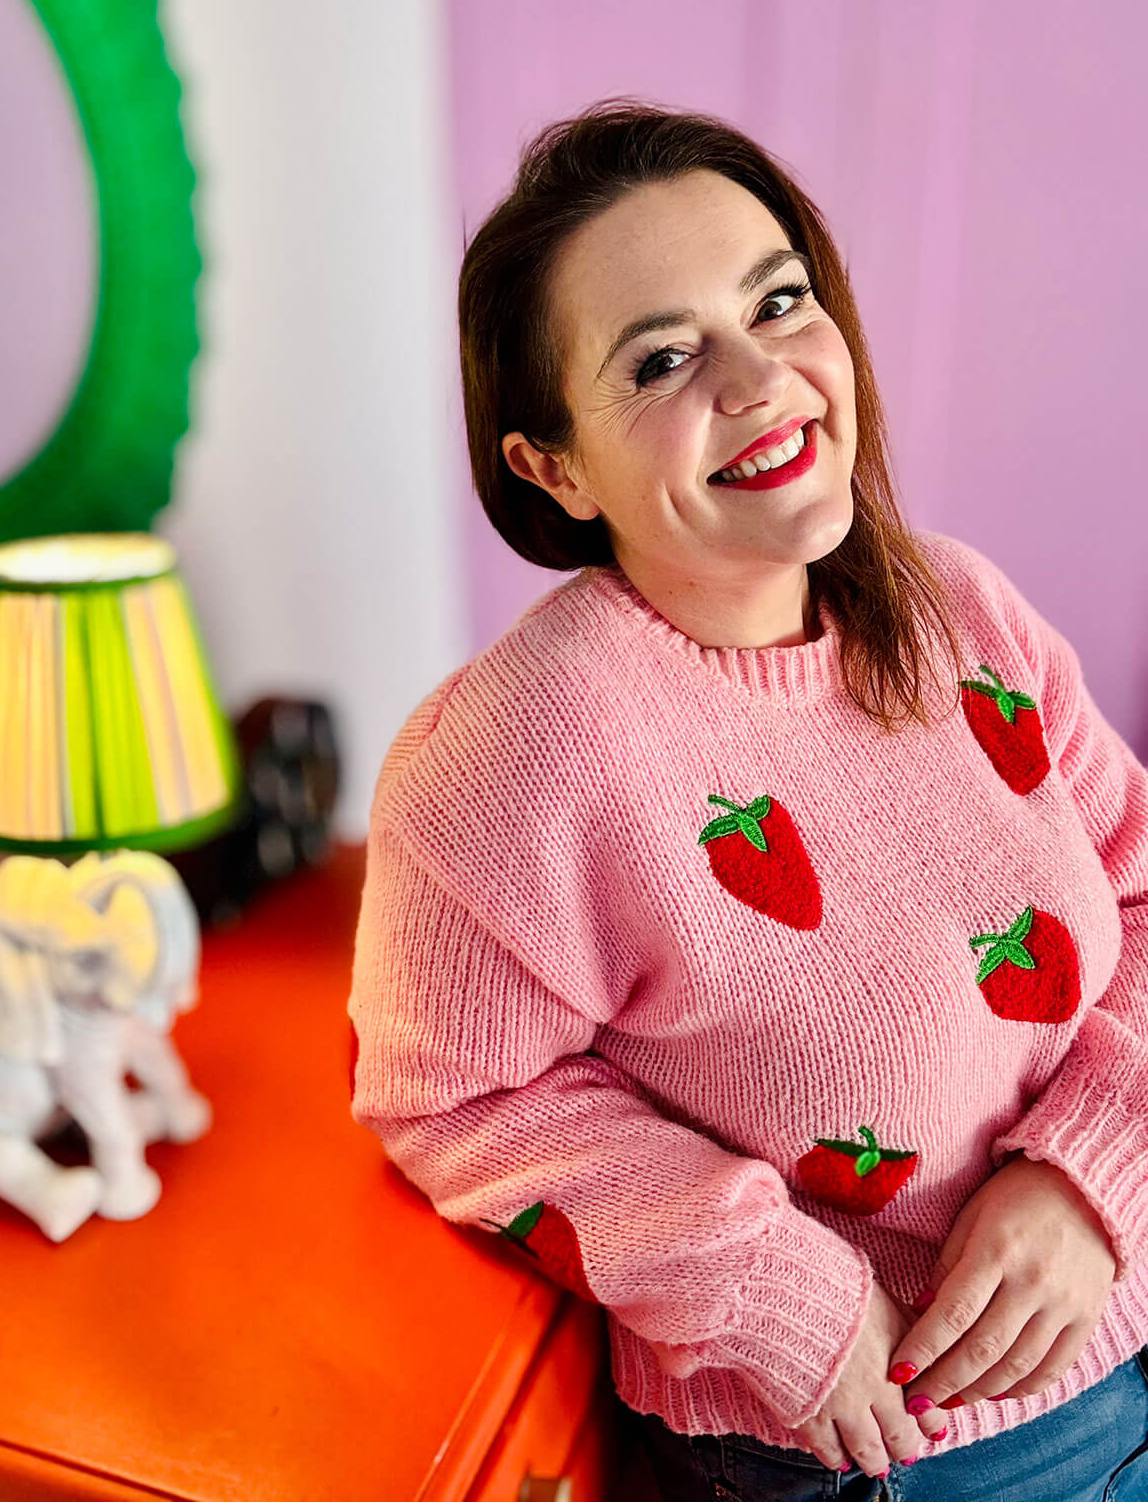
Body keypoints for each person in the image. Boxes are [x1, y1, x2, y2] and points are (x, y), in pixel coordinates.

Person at [346, 98, 1148, 1501]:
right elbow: (449, 1099)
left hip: (1122, 1308)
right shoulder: (509, 759)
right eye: (662, 358)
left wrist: (1090, 1173)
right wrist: (774, 1294)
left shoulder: (958, 608)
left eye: (778, 301)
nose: (760, 376)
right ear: (553, 464)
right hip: (892, 1450)